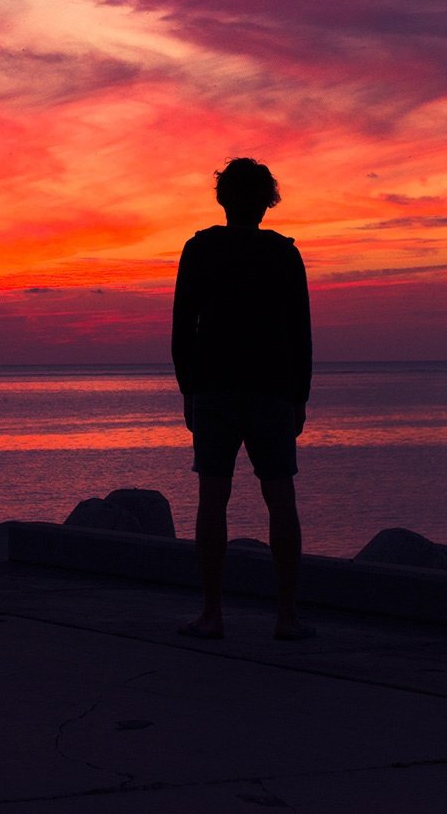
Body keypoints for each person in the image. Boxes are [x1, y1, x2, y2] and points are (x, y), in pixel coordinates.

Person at [170, 156, 313, 640]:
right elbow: (301, 333)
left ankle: (212, 613)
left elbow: (182, 328)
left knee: (214, 498)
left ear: (223, 199)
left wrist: (188, 389)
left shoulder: (200, 250)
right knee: (280, 498)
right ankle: (287, 617)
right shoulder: (284, 254)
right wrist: (299, 396)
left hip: (215, 388)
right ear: (266, 203)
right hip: (271, 389)